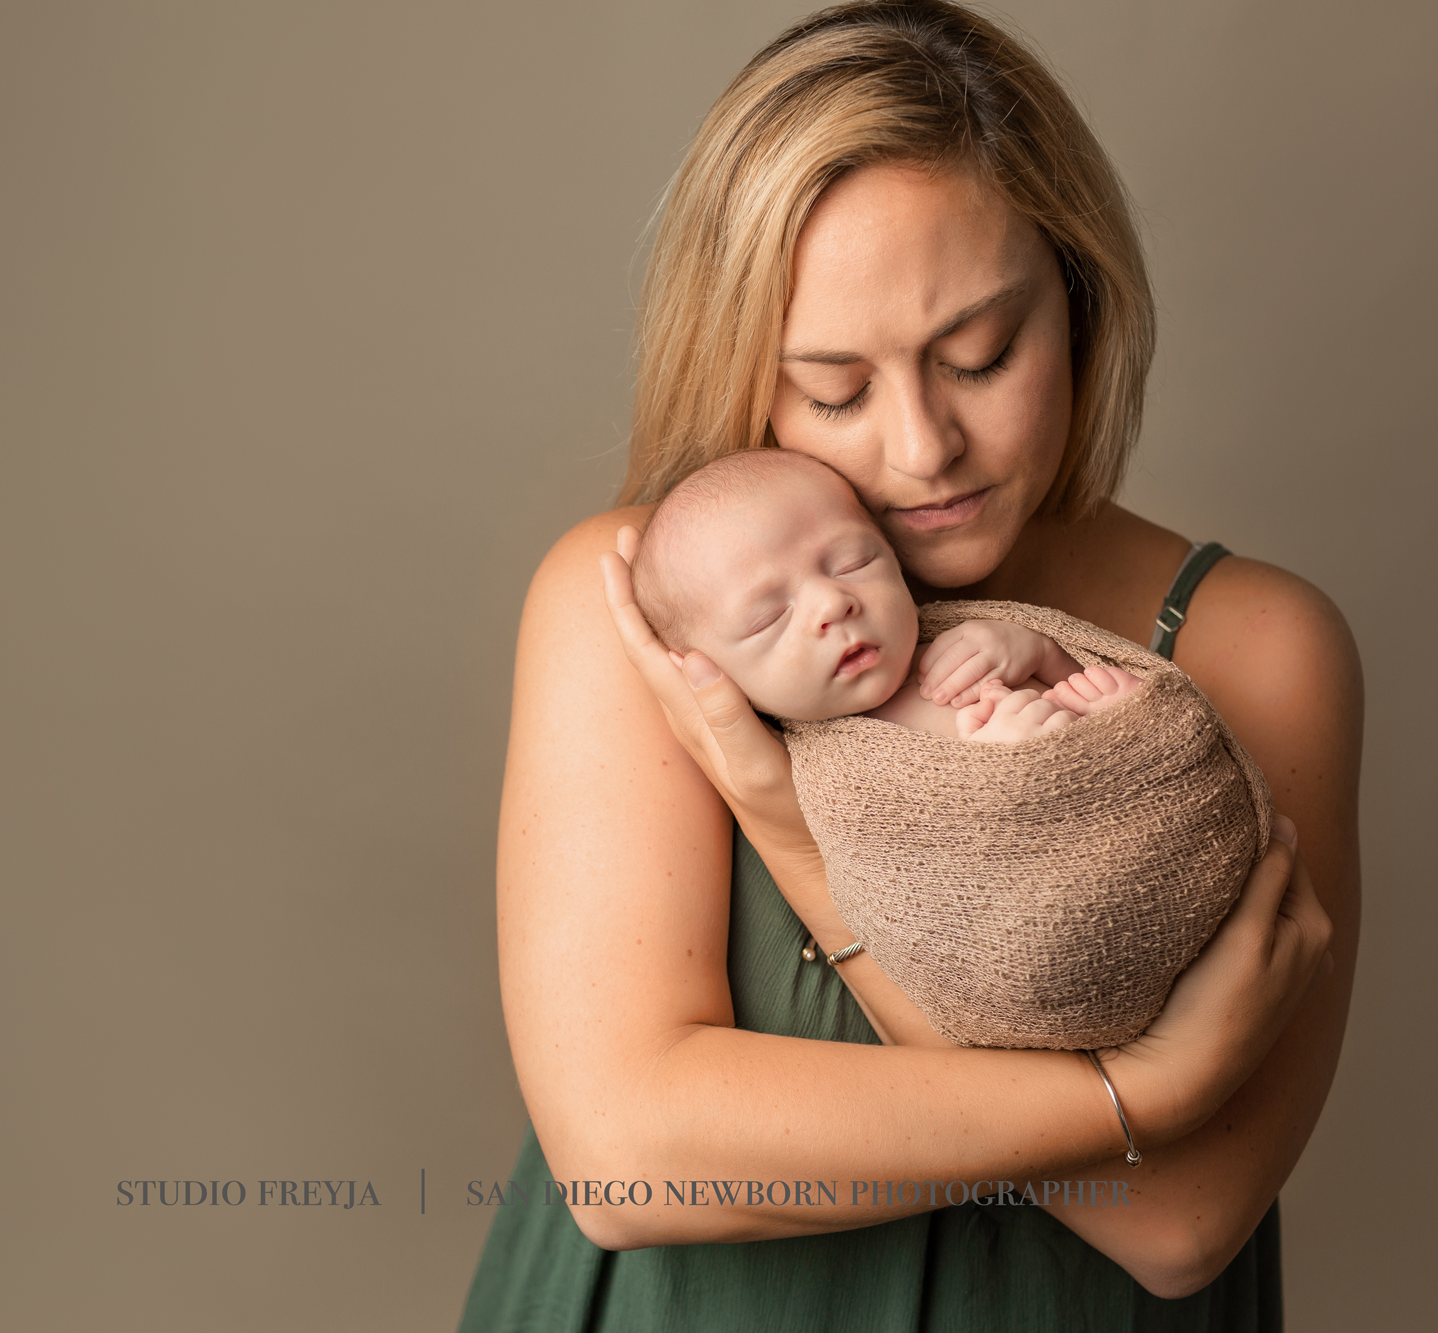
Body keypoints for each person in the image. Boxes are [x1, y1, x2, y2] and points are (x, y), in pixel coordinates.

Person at [461, 2, 1358, 1327]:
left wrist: (789, 823)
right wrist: (1136, 1099)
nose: (922, 446)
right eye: (832, 388)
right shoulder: (643, 609)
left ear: (1078, 302)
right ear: (745, 371)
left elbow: (1175, 1221)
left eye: (980, 354)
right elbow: (623, 1154)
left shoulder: (1254, 647)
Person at [626, 446, 1144, 741]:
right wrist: (1001, 774)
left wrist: (1042, 655)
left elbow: (1083, 698)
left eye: (854, 562)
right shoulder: (821, 770)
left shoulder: (958, 641)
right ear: (707, 674)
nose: (833, 603)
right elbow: (902, 887)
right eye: (768, 618)